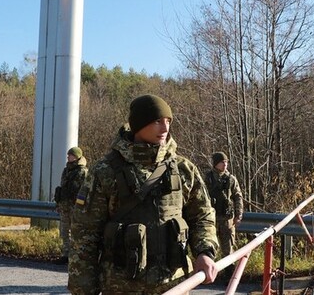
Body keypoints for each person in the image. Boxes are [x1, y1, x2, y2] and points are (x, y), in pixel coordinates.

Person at [68, 94, 219, 295]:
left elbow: (202, 216)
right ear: (139, 124)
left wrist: (205, 251)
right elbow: (84, 235)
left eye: (168, 122)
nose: (165, 129)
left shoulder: (184, 169)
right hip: (121, 288)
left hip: (174, 287)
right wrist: (84, 290)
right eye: (157, 121)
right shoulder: (106, 171)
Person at [204, 152, 243, 259]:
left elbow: (238, 197)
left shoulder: (231, 179)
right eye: (222, 162)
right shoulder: (208, 178)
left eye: (226, 162)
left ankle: (229, 274)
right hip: (212, 219)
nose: (225, 164)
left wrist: (238, 215)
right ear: (216, 163)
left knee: (228, 250)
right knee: (210, 249)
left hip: (227, 220)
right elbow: (201, 197)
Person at [53, 146, 88, 265]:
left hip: (75, 207)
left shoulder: (83, 172)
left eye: (70, 155)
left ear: (76, 157)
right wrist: (59, 204)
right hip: (64, 206)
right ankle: (65, 255)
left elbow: (84, 191)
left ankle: (75, 256)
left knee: (75, 232)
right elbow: (62, 188)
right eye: (68, 155)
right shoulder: (66, 170)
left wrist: (81, 207)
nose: (68, 157)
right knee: (64, 231)